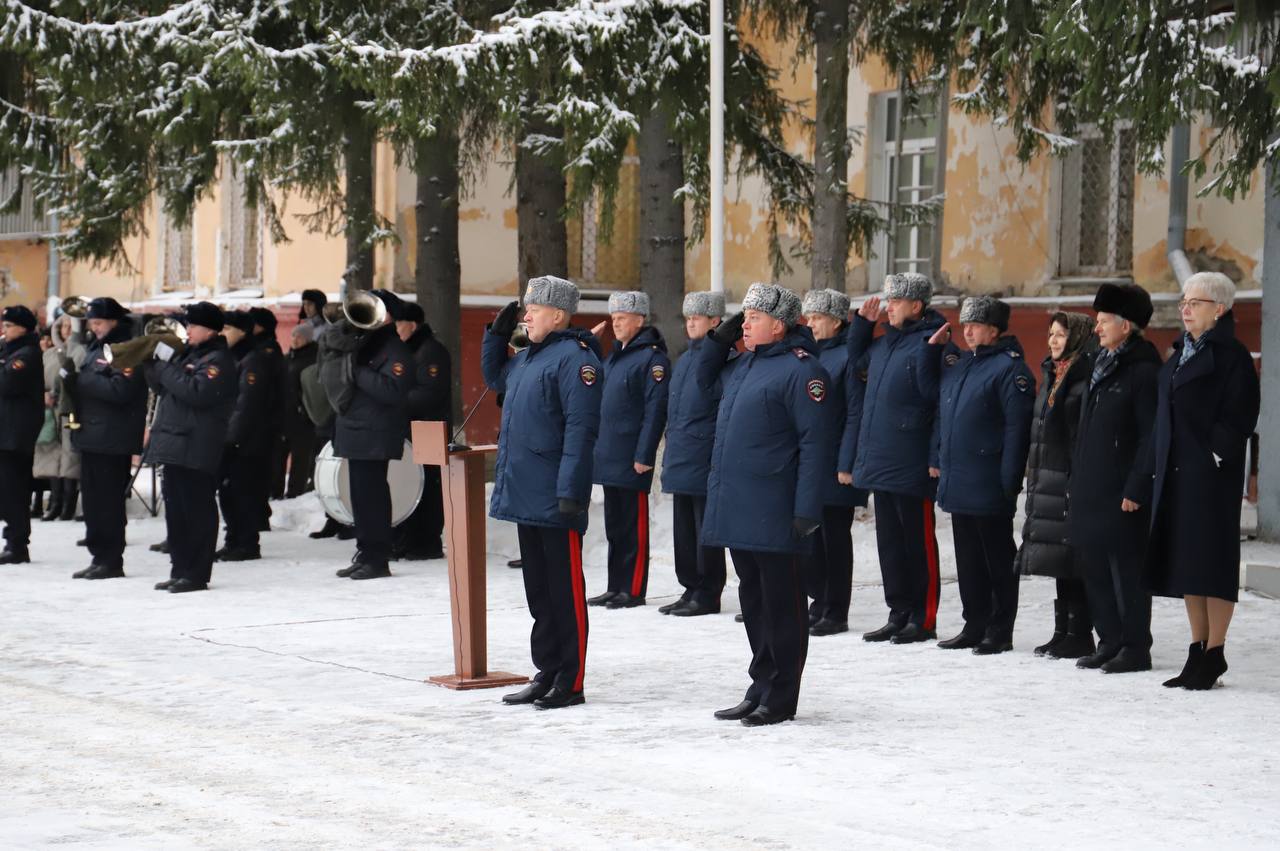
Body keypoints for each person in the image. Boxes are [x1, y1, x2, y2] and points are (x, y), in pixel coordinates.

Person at [698, 283, 830, 727]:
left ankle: (782, 694)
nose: (745, 323)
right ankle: (760, 683)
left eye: (753, 317)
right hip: (738, 504)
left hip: (776, 507)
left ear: (779, 324)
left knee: (783, 605)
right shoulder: (744, 365)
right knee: (753, 601)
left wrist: (806, 509)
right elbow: (701, 378)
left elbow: (815, 445)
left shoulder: (803, 372)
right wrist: (720, 339)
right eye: (745, 316)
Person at [482, 276, 601, 710]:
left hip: (555, 496)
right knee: (540, 594)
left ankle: (571, 679)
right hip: (527, 494)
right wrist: (496, 335)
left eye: (533, 308)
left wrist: (571, 491)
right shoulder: (529, 358)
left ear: (558, 315)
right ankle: (547, 670)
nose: (525, 314)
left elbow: (581, 429)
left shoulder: (576, 359)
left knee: (564, 594)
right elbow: (496, 376)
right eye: (525, 308)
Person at [1145, 272, 1260, 690]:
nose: (1186, 309)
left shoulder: (1232, 356)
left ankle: (1216, 650)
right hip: (1177, 472)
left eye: (1195, 302)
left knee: (1212, 562)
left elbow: (1241, 413)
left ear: (1220, 309)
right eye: (1183, 302)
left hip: (1210, 477)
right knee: (1186, 563)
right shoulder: (1179, 354)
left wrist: (1215, 453)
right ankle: (1196, 648)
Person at [933, 296, 1035, 654]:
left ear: (994, 329)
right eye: (966, 325)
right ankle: (973, 622)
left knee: (995, 558)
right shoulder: (962, 365)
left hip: (989, 478)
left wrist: (1009, 481)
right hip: (960, 478)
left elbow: (1016, 429)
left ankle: (999, 628)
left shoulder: (1011, 370)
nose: (969, 331)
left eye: (975, 325)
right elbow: (945, 415)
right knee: (968, 558)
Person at [848, 273, 947, 644]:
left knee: (917, 543)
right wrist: (862, 326)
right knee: (890, 544)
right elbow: (854, 366)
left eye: (896, 301)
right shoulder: (885, 343)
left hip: (912, 459)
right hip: (882, 459)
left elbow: (938, 402)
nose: (889, 306)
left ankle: (924, 617)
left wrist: (935, 454)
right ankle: (899, 611)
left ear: (917, 306)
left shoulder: (933, 342)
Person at [1069, 283, 1161, 673]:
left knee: (1126, 570)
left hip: (1123, 489)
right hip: (1091, 485)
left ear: (1127, 326)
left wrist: (1137, 485)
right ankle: (1109, 639)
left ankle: (1135, 646)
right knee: (1093, 565)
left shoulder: (1143, 370)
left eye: (1104, 321)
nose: (1097, 328)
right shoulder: (1098, 363)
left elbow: (1150, 435)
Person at [1016, 312, 1098, 659]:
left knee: (1072, 559)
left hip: (1067, 479)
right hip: (1047, 478)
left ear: (1076, 338)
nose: (1053, 340)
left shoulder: (1081, 378)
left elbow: (1080, 436)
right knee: (1058, 561)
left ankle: (1080, 633)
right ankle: (1062, 630)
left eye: (1060, 335)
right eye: (1050, 334)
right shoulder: (1053, 373)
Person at [145, 302, 238, 592]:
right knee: (176, 511)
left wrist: (164, 370)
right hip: (175, 443)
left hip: (197, 445)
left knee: (197, 511)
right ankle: (179, 567)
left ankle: (196, 573)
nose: (188, 331)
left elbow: (196, 392)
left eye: (193, 326)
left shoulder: (219, 360)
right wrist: (151, 364)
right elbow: (163, 387)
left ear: (210, 329)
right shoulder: (189, 354)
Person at [323, 290, 414, 580]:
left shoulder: (395, 349)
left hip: (376, 433)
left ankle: (377, 558)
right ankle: (365, 552)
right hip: (358, 432)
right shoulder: (365, 344)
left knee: (372, 497)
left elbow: (392, 391)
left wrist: (357, 372)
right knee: (361, 498)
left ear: (387, 315)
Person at [588, 291, 670, 609]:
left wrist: (644, 455)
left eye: (622, 318)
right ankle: (615, 586)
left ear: (639, 320)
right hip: (609, 454)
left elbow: (655, 411)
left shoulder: (653, 359)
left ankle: (633, 589)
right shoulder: (614, 356)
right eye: (613, 318)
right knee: (615, 527)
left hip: (632, 457)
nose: (616, 323)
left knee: (634, 528)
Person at [799, 288, 869, 636]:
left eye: (818, 318)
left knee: (835, 539)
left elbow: (855, 413)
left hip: (836, 461)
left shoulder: (847, 358)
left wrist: (848, 461)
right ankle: (819, 602)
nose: (810, 323)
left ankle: (836, 609)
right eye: (808, 317)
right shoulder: (812, 355)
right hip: (813, 461)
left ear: (837, 322)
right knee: (814, 538)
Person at [659, 291, 728, 617]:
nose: (690, 322)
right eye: (687, 318)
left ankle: (708, 591)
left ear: (715, 321)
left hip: (704, 459)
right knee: (684, 531)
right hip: (682, 457)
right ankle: (689, 586)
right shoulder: (684, 360)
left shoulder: (721, 360)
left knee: (705, 531)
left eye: (696, 318)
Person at [70, 297, 148, 580]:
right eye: (92, 322)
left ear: (115, 321)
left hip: (112, 437)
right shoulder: (96, 346)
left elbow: (121, 390)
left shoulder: (126, 349)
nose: (95, 327)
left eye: (99, 322)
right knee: (92, 501)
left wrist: (80, 382)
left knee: (108, 502)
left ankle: (111, 558)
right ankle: (98, 554)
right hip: (92, 435)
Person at [394, 301, 451, 561]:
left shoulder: (430, 352)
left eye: (399, 323)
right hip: (412, 429)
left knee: (428, 488)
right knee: (413, 485)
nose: (395, 328)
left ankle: (427, 541)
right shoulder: (411, 349)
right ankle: (410, 539)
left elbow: (429, 393)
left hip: (430, 428)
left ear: (412, 325)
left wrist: (394, 400)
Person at [215, 311, 274, 561]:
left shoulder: (252, 360)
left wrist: (231, 439)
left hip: (246, 441)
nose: (222, 334)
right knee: (228, 493)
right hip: (229, 437)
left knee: (242, 491)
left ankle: (247, 542)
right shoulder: (231, 356)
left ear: (243, 332)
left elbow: (245, 404)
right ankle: (234, 538)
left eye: (227, 329)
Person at [0, 305, 45, 564]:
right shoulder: (10, 350)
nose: (4, 331)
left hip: (15, 435)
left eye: (8, 326)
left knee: (14, 491)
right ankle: (12, 540)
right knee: (6, 491)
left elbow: (6, 384)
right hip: (5, 432)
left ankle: (17, 544)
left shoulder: (27, 354)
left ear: (23, 328)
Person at [281, 322, 319, 498]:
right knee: (279, 456)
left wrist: (304, 410)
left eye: (300, 336)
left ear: (308, 338)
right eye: (294, 335)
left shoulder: (313, 359)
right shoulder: (288, 357)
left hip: (303, 419)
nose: (295, 339)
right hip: (285, 415)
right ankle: (276, 491)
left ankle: (295, 493)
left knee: (300, 459)